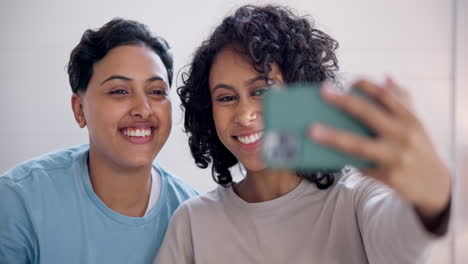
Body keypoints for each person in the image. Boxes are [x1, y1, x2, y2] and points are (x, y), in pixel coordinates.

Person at [155, 5, 451, 264]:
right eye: (226, 98)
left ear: (298, 91)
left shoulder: (355, 199)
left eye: (261, 91)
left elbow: (403, 245)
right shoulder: (193, 221)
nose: (244, 115)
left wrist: (433, 195)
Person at [0, 18, 197, 264]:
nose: (143, 109)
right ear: (79, 109)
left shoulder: (193, 217)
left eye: (156, 92)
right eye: (119, 91)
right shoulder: (19, 201)